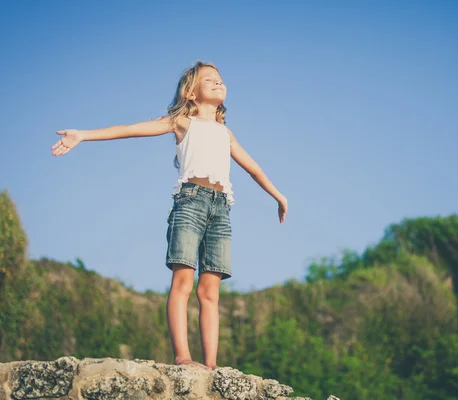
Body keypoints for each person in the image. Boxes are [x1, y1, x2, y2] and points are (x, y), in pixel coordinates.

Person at [50, 61, 288, 370]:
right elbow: (130, 130)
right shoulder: (182, 123)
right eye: (209, 80)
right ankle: (182, 357)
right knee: (183, 281)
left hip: (222, 209)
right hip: (190, 202)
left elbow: (254, 168)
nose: (218, 83)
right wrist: (82, 135)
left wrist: (278, 196)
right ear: (191, 92)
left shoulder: (225, 133)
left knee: (210, 290)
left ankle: (212, 364)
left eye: (220, 79)